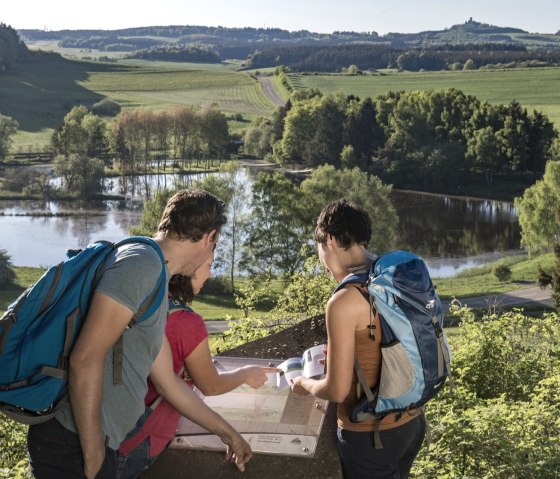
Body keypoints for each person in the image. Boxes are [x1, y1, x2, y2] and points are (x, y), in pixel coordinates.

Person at [27, 189, 252, 479]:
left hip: (92, 442)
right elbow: (85, 357)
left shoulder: (157, 276)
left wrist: (228, 434)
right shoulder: (141, 266)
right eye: (215, 245)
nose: (211, 256)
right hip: (73, 444)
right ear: (209, 237)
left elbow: (168, 383)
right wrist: (94, 450)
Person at [290, 199, 426, 479]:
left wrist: (304, 383)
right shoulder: (393, 276)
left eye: (319, 249)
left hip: (371, 436)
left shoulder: (343, 301)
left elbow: (337, 392)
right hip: (412, 424)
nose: (322, 262)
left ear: (328, 239)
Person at [117, 251, 278, 478]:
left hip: (112, 430)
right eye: (209, 266)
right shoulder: (187, 322)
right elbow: (211, 386)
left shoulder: (145, 304)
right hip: (140, 439)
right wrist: (245, 374)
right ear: (189, 267)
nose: (210, 275)